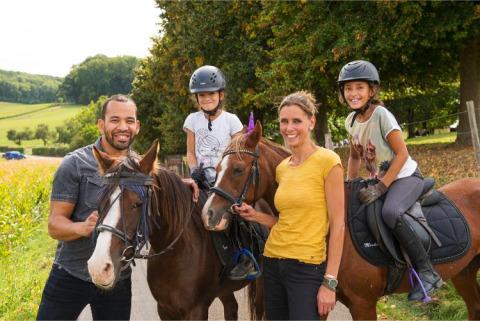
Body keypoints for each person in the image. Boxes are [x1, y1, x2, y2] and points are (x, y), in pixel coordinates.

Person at [36, 95, 199, 320]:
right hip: (71, 275)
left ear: (137, 126)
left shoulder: (140, 167)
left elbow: (155, 190)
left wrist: (181, 185)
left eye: (129, 120)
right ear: (102, 125)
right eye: (115, 120)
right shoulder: (75, 163)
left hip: (118, 278)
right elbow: (55, 226)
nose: (123, 127)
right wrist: (82, 228)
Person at [234, 91, 345, 319]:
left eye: (297, 121)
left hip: (307, 266)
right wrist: (255, 216)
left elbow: (338, 225)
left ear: (311, 122)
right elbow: (286, 220)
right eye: (284, 121)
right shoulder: (283, 168)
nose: (289, 128)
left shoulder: (328, 162)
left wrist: (330, 282)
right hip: (273, 262)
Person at [338, 60, 443, 301]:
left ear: (372, 90)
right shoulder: (350, 122)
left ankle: (427, 272)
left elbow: (402, 154)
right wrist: (349, 184)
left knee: (391, 213)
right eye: (348, 88)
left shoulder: (381, 115)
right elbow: (354, 156)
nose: (353, 93)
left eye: (359, 87)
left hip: (405, 177)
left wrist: (382, 186)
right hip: (377, 181)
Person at [183, 65, 253, 280]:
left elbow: (237, 154)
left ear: (221, 95)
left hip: (226, 181)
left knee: (237, 213)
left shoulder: (231, 120)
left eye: (211, 94)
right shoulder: (192, 121)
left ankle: (244, 255)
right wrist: (195, 171)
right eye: (201, 95)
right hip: (202, 179)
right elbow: (190, 152)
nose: (206, 99)